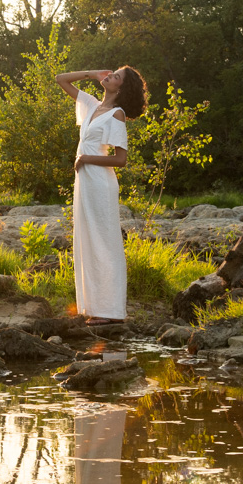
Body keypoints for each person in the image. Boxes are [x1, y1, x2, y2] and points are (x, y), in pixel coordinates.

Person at [54, 66, 146, 325]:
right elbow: (60, 79)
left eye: (116, 77)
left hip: (100, 182)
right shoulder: (92, 106)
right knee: (87, 240)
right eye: (112, 73)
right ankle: (94, 307)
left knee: (105, 242)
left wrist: (85, 158)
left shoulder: (117, 115)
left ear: (122, 88)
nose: (110, 76)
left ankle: (111, 311)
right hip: (84, 182)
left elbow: (121, 159)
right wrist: (93, 73)